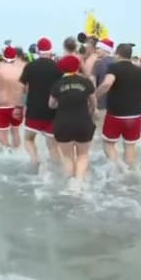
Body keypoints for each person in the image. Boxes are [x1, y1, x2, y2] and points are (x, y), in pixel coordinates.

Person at [95, 43, 141, 169]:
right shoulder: (138, 70)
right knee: (130, 146)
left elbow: (106, 84)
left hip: (116, 114)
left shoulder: (114, 67)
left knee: (108, 144)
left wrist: (94, 96)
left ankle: (116, 170)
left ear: (117, 54)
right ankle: (130, 173)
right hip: (135, 115)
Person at [51, 54, 97, 187]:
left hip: (63, 124)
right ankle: (79, 184)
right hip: (83, 123)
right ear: (77, 67)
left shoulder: (58, 84)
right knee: (82, 155)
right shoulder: (86, 82)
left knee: (67, 157)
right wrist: (90, 112)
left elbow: (51, 104)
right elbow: (93, 103)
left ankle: (70, 184)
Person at [19, 37, 62, 168]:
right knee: (52, 145)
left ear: (38, 50)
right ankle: (57, 171)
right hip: (53, 112)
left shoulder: (30, 66)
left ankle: (35, 160)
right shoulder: (58, 67)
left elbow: (23, 88)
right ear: (51, 50)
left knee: (28, 139)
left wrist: (19, 106)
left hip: (34, 110)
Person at [0, 46, 26, 149]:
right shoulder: (22, 68)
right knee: (15, 131)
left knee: (2, 135)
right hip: (18, 105)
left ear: (3, 56)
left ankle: (8, 152)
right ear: (15, 57)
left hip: (3, 105)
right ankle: (16, 152)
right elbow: (26, 88)